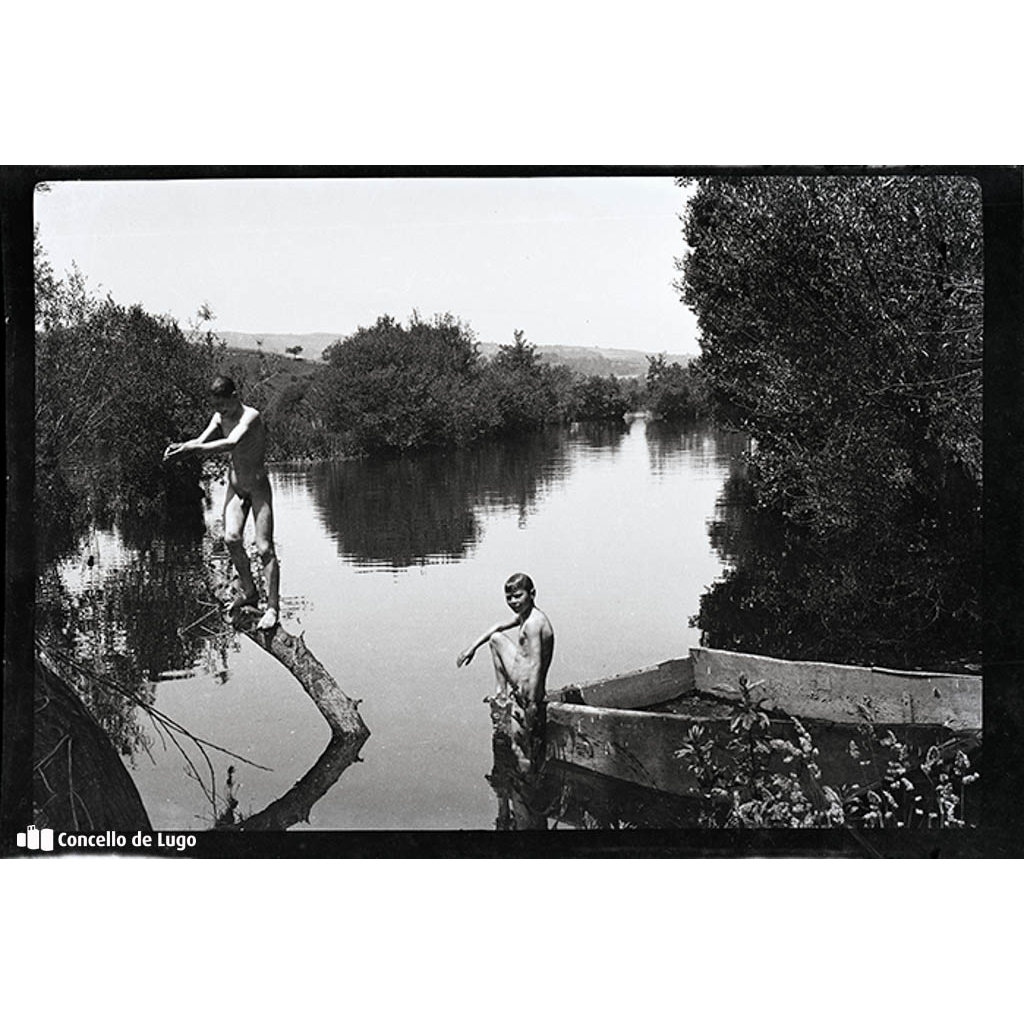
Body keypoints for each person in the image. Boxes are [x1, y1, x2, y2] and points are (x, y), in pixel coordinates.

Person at [163, 375, 279, 630]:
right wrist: (182, 446)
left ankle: (272, 608)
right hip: (236, 486)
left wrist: (192, 451)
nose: (220, 411)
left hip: (258, 486)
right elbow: (200, 441)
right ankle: (249, 592)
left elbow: (231, 442)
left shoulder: (251, 416)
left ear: (235, 396)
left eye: (224, 405)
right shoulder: (218, 417)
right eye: (216, 406)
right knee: (231, 539)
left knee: (264, 548)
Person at [457, 573, 555, 767]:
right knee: (495, 638)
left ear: (532, 594)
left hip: (528, 689)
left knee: (520, 748)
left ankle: (524, 787)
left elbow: (536, 664)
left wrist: (532, 703)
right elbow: (498, 626)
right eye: (509, 598)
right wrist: (471, 648)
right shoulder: (525, 616)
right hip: (521, 676)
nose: (513, 601)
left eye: (518, 596)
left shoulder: (535, 623)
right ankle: (501, 694)